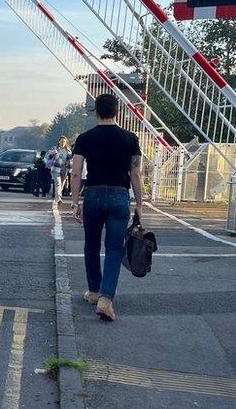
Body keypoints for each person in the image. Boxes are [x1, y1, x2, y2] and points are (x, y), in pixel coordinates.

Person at [71, 93, 143, 322]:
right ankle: (106, 298)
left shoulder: (84, 138)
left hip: (92, 194)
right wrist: (139, 203)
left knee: (91, 244)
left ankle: (93, 291)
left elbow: (75, 172)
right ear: (117, 111)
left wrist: (74, 202)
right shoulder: (130, 139)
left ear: (96, 112)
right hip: (119, 195)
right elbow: (135, 173)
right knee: (114, 249)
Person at [48, 136, 72, 203]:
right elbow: (49, 158)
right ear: (59, 142)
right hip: (55, 169)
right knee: (58, 183)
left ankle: (57, 197)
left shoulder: (68, 151)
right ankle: (58, 198)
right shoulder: (55, 149)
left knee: (61, 185)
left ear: (66, 142)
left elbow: (70, 160)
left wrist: (70, 169)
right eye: (61, 141)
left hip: (64, 170)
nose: (62, 143)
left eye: (64, 141)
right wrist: (53, 154)